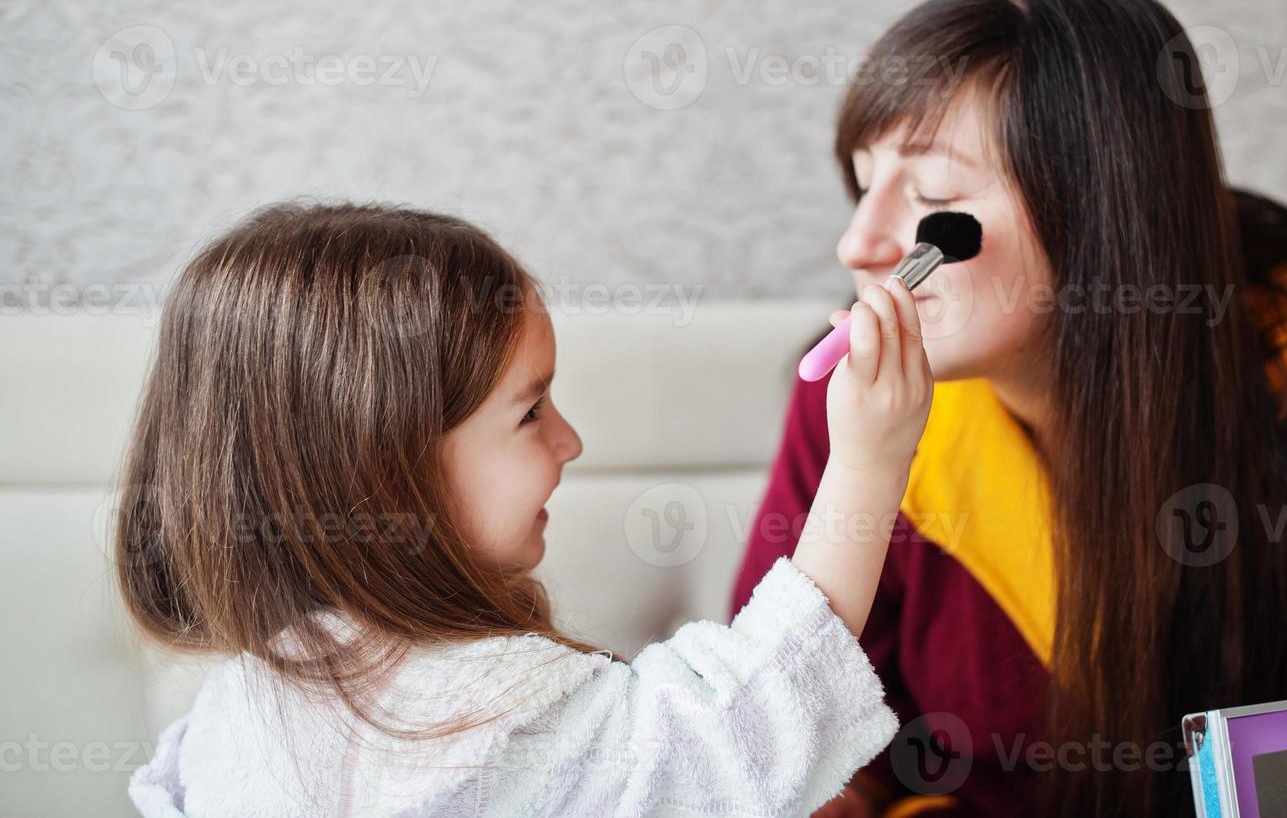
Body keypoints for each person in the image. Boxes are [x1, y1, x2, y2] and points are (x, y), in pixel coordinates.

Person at [732, 0, 1287, 817]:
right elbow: (810, 752)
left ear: (1102, 213)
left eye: (933, 196)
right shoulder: (864, 405)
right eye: (862, 186)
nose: (858, 242)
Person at [121, 200, 932, 816]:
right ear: (386, 464)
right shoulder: (471, 725)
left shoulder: (244, 707)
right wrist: (867, 460)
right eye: (530, 411)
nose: (570, 440)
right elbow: (739, 736)